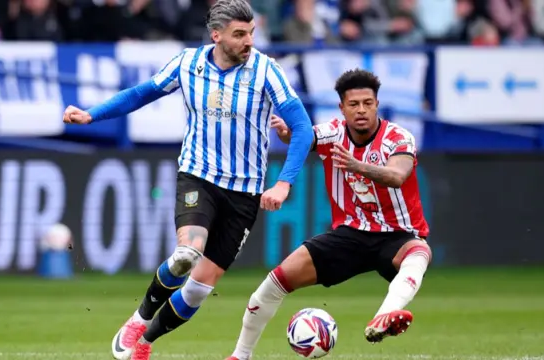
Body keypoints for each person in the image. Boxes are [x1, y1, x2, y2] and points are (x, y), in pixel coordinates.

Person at [62, 1, 314, 359]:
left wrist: (284, 182)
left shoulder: (266, 71)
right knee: (186, 253)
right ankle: (138, 318)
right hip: (199, 175)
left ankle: (145, 342)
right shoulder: (188, 63)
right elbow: (140, 93)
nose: (248, 42)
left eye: (251, 33)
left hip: (244, 192)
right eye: (239, 34)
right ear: (216, 35)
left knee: (197, 289)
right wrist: (92, 115)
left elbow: (302, 126)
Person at [226, 69, 432, 360]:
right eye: (353, 104)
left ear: (376, 104)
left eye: (368, 103)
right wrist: (289, 135)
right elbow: (303, 139)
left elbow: (398, 176)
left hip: (397, 235)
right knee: (274, 282)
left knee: (419, 253)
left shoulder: (398, 138)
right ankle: (240, 355)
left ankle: (384, 316)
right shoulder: (332, 132)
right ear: (342, 108)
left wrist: (358, 166)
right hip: (350, 235)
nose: (361, 110)